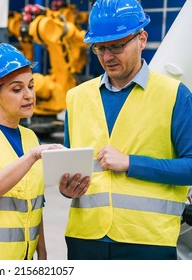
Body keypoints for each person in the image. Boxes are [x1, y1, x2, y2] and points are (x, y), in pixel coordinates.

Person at [62, 0, 192, 260]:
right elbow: (68, 167)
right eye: (100, 48)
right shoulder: (76, 98)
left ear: (142, 39)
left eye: (117, 46)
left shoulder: (175, 95)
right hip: (85, 238)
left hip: (148, 240)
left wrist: (130, 163)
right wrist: (67, 188)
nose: (108, 57)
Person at [0, 43, 90, 260]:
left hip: (22, 257)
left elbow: (35, 203)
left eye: (31, 86)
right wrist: (32, 156)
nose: (28, 95)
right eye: (17, 89)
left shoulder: (30, 137)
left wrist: (41, 251)